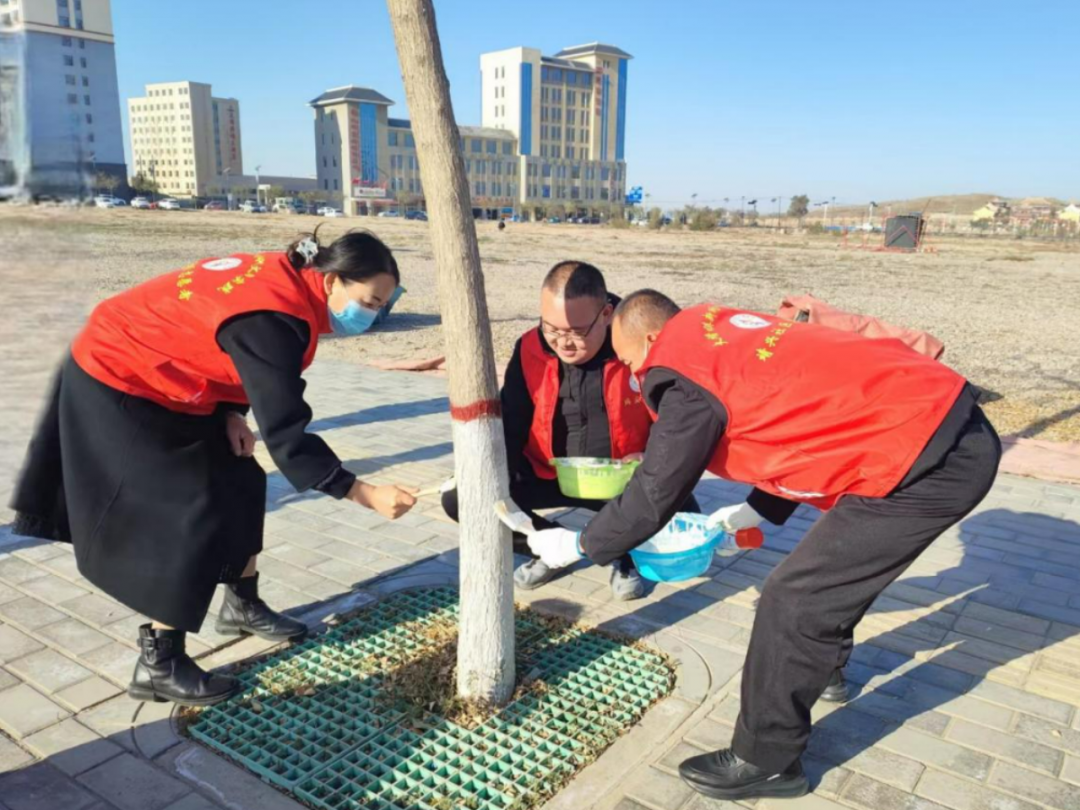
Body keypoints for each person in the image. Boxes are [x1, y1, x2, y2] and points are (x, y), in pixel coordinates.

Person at [525, 290, 1001, 800]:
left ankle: (768, 761)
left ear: (651, 338)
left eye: (628, 361)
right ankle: (823, 671)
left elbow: (653, 495)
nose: (634, 375)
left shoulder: (680, 371)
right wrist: (757, 509)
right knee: (828, 580)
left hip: (928, 462)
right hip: (932, 425)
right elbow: (795, 418)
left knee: (794, 598)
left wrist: (577, 544)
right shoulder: (717, 331)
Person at [10, 228, 419, 707]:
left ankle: (242, 605)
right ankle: (160, 663)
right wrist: (363, 493)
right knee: (188, 507)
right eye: (368, 301)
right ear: (331, 281)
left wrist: (231, 412)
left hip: (172, 373)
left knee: (241, 476)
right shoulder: (275, 315)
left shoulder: (292, 281)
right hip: (119, 375)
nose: (369, 315)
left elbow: (227, 348)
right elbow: (286, 431)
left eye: (380, 306)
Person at [441, 262, 698, 601]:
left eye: (576, 331)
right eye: (551, 328)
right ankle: (548, 545)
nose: (563, 343)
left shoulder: (637, 346)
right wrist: (483, 475)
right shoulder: (530, 348)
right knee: (462, 498)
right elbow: (511, 423)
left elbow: (676, 424)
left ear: (606, 314)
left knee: (689, 522)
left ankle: (624, 553)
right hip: (547, 474)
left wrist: (649, 457)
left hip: (620, 480)